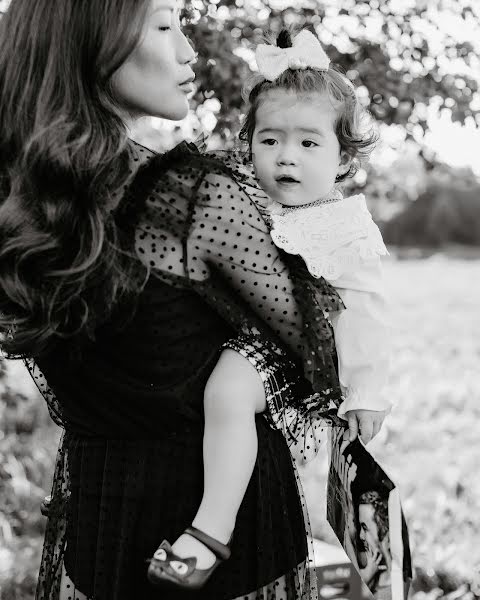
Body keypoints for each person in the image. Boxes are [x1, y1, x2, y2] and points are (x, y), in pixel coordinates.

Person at [0, 2, 358, 599]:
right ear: (93, 41)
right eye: (166, 26)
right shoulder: (189, 200)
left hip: (99, 517)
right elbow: (321, 348)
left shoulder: (20, 203)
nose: (189, 51)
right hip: (228, 541)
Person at [148, 28, 392, 590]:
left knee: (228, 394)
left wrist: (368, 391)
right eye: (269, 140)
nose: (286, 157)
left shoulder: (342, 223)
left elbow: (367, 311)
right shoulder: (240, 195)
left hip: (297, 350)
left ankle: (210, 533)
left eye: (309, 144)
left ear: (343, 157)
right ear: (248, 143)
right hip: (247, 334)